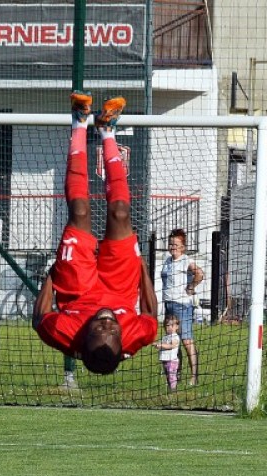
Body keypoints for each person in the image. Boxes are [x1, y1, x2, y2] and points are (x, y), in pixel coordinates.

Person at [33, 93, 158, 374]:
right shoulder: (138, 337)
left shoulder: (63, 333)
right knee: (121, 214)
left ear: (84, 338)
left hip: (77, 290)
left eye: (99, 329)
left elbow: (40, 317)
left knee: (79, 212)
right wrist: (143, 270)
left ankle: (79, 123)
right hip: (121, 288)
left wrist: (52, 275)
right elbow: (150, 315)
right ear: (122, 341)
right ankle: (106, 129)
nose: (107, 323)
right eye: (113, 330)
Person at [161, 228, 204, 385]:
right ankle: (175, 376)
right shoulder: (167, 261)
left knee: (186, 341)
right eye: (171, 243)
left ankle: (194, 376)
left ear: (183, 247)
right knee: (173, 341)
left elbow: (200, 274)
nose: (172, 246)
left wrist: (191, 287)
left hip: (182, 305)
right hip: (169, 305)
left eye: (176, 244)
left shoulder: (186, 260)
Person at [153, 314, 181, 391]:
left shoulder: (175, 336)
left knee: (171, 375)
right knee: (167, 375)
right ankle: (170, 387)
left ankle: (173, 389)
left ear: (177, 327)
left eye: (172, 325)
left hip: (172, 360)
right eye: (167, 326)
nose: (169, 328)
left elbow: (172, 345)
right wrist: (156, 344)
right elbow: (163, 345)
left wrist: (161, 345)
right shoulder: (165, 337)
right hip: (165, 360)